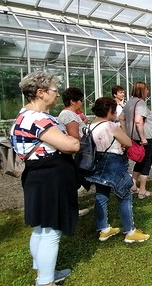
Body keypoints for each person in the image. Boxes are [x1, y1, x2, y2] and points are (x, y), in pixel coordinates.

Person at [10, 71, 80, 286]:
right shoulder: (37, 119)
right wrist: (71, 141)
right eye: (54, 91)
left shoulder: (23, 117)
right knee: (51, 230)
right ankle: (46, 282)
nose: (57, 95)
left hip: (37, 176)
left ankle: (44, 272)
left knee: (40, 228)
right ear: (40, 93)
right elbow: (72, 145)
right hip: (51, 179)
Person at [85, 97, 150, 243]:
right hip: (114, 163)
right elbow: (127, 142)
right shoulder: (111, 126)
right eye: (114, 110)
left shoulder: (89, 126)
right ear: (109, 110)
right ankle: (130, 231)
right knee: (125, 195)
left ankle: (104, 229)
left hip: (98, 164)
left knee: (101, 195)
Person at [57, 87, 91, 216]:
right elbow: (74, 136)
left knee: (73, 182)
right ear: (72, 101)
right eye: (80, 100)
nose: (82, 103)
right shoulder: (68, 115)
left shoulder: (69, 114)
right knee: (73, 182)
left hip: (72, 155)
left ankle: (69, 209)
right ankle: (70, 211)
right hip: (74, 155)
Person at [120, 81, 152, 199]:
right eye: (147, 89)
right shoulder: (140, 103)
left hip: (133, 138)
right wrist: (143, 138)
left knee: (139, 161)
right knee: (146, 163)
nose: (148, 92)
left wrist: (126, 134)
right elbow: (138, 121)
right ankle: (142, 191)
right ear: (142, 91)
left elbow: (121, 118)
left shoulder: (129, 102)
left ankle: (133, 185)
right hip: (144, 138)